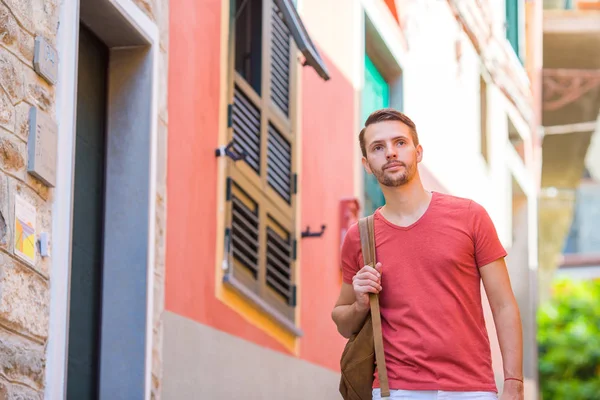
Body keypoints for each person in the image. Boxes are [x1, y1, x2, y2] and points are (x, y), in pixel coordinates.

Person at [331, 109, 524, 400]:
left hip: (472, 389)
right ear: (367, 164)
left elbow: (504, 305)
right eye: (378, 148)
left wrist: (514, 383)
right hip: (395, 390)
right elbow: (342, 322)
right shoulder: (360, 236)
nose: (390, 153)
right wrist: (359, 303)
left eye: (400, 143)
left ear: (418, 152)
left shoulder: (470, 216)